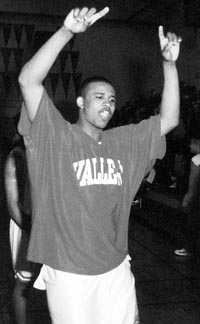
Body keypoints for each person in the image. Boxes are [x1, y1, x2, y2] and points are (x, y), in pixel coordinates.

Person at [17, 6, 181, 324]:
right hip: (68, 272)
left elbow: (170, 119)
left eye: (112, 99)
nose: (108, 104)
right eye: (99, 97)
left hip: (117, 267)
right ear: (80, 102)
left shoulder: (123, 142)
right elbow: (28, 80)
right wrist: (67, 31)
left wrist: (169, 64)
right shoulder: (55, 134)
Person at [4, 139, 33, 324]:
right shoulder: (17, 156)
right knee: (24, 283)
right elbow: (13, 205)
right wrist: (32, 230)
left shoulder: (56, 145)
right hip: (26, 226)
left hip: (53, 227)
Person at [174, 138, 200, 257]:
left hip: (197, 199)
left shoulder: (196, 159)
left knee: (192, 223)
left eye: (191, 144)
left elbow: (193, 182)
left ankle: (188, 248)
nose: (189, 146)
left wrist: (187, 198)